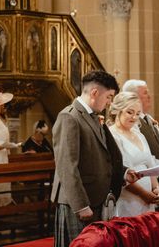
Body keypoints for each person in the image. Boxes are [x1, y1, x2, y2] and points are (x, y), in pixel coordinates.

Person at [51, 70, 140, 247]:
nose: (109, 102)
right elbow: (67, 166)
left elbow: (103, 155)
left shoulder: (94, 117)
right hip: (78, 202)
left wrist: (123, 173)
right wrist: (80, 205)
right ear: (94, 92)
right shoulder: (69, 117)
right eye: (109, 96)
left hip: (97, 199)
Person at [107, 92, 159, 217]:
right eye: (130, 112)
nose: (134, 117)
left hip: (148, 200)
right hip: (128, 200)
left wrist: (155, 188)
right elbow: (121, 173)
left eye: (137, 113)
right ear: (118, 111)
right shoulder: (112, 135)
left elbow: (150, 165)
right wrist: (143, 194)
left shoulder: (139, 135)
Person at [121, 79, 159, 167]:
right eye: (145, 93)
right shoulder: (131, 122)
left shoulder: (149, 118)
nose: (149, 96)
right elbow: (139, 153)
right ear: (134, 97)